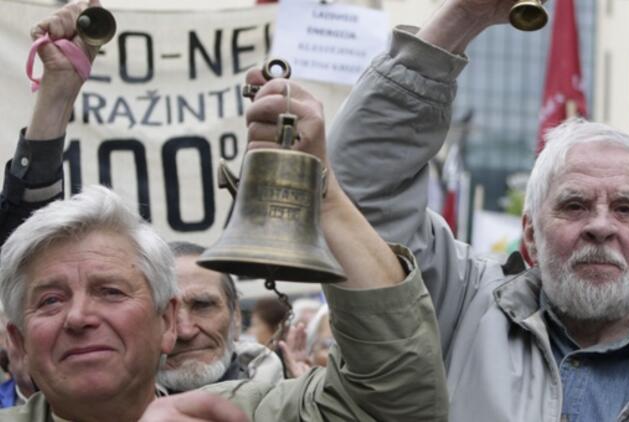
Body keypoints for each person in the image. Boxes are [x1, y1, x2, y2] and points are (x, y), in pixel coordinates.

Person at [0, 1, 449, 420]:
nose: (79, 317)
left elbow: (400, 394)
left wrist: (319, 187)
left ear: (167, 323)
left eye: (111, 292)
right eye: (50, 300)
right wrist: (55, 98)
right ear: (17, 343)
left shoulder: (248, 412)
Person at [328, 0, 629, 421]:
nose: (600, 226)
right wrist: (465, 14)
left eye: (625, 208)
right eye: (575, 205)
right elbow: (358, 195)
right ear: (530, 235)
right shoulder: (459, 306)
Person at [157, 242, 283, 391]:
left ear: (236, 316)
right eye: (165, 313)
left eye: (203, 305)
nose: (185, 331)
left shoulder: (294, 405)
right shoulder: (125, 410)